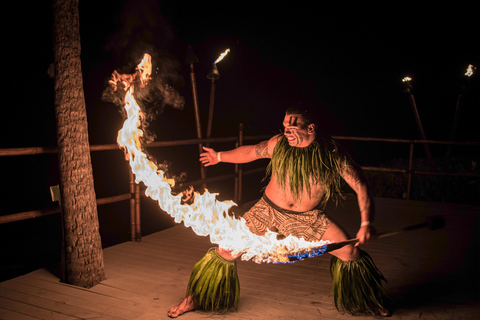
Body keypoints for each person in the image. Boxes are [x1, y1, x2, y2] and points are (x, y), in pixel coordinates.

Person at [167, 106, 390, 318]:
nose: (286, 131)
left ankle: (367, 299)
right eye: (284, 125)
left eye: (292, 127)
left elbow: (361, 185)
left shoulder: (332, 155)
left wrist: (365, 224)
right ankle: (196, 298)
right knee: (225, 250)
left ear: (310, 128)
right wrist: (220, 156)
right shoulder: (279, 144)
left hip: (307, 218)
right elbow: (251, 152)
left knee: (349, 251)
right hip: (267, 211)